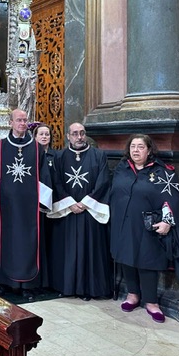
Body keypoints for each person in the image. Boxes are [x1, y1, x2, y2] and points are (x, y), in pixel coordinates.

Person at [110, 134, 179, 323]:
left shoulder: (162, 171)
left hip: (148, 226)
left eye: (140, 147)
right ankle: (133, 295)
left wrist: (167, 221)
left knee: (147, 261)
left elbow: (172, 199)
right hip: (123, 224)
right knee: (126, 258)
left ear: (149, 150)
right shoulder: (122, 168)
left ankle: (152, 302)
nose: (136, 150)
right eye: (133, 147)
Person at [0, 110, 53, 298]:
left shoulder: (36, 148)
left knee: (29, 244)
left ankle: (28, 285)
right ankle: (6, 283)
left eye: (25, 120)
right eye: (19, 120)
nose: (22, 123)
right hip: (6, 207)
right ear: (11, 122)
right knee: (6, 243)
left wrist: (42, 202)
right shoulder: (0, 147)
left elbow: (45, 176)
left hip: (30, 208)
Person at [48, 122, 112, 300]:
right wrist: (70, 203)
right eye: (75, 133)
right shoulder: (59, 157)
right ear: (68, 136)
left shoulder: (99, 155)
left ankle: (89, 289)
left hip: (90, 212)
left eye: (82, 133)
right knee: (67, 251)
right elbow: (55, 182)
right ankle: (66, 287)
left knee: (90, 252)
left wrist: (84, 204)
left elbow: (103, 181)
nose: (79, 137)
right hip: (67, 212)